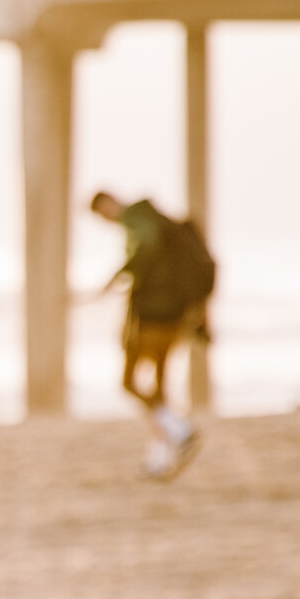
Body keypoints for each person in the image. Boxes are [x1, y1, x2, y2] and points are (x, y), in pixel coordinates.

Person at [89, 190, 217, 478]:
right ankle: (159, 457)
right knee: (158, 386)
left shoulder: (137, 218)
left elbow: (145, 248)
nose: (107, 220)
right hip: (175, 316)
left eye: (102, 215)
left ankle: (179, 431)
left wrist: (117, 276)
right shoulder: (156, 218)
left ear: (108, 204)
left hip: (152, 315)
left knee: (129, 382)